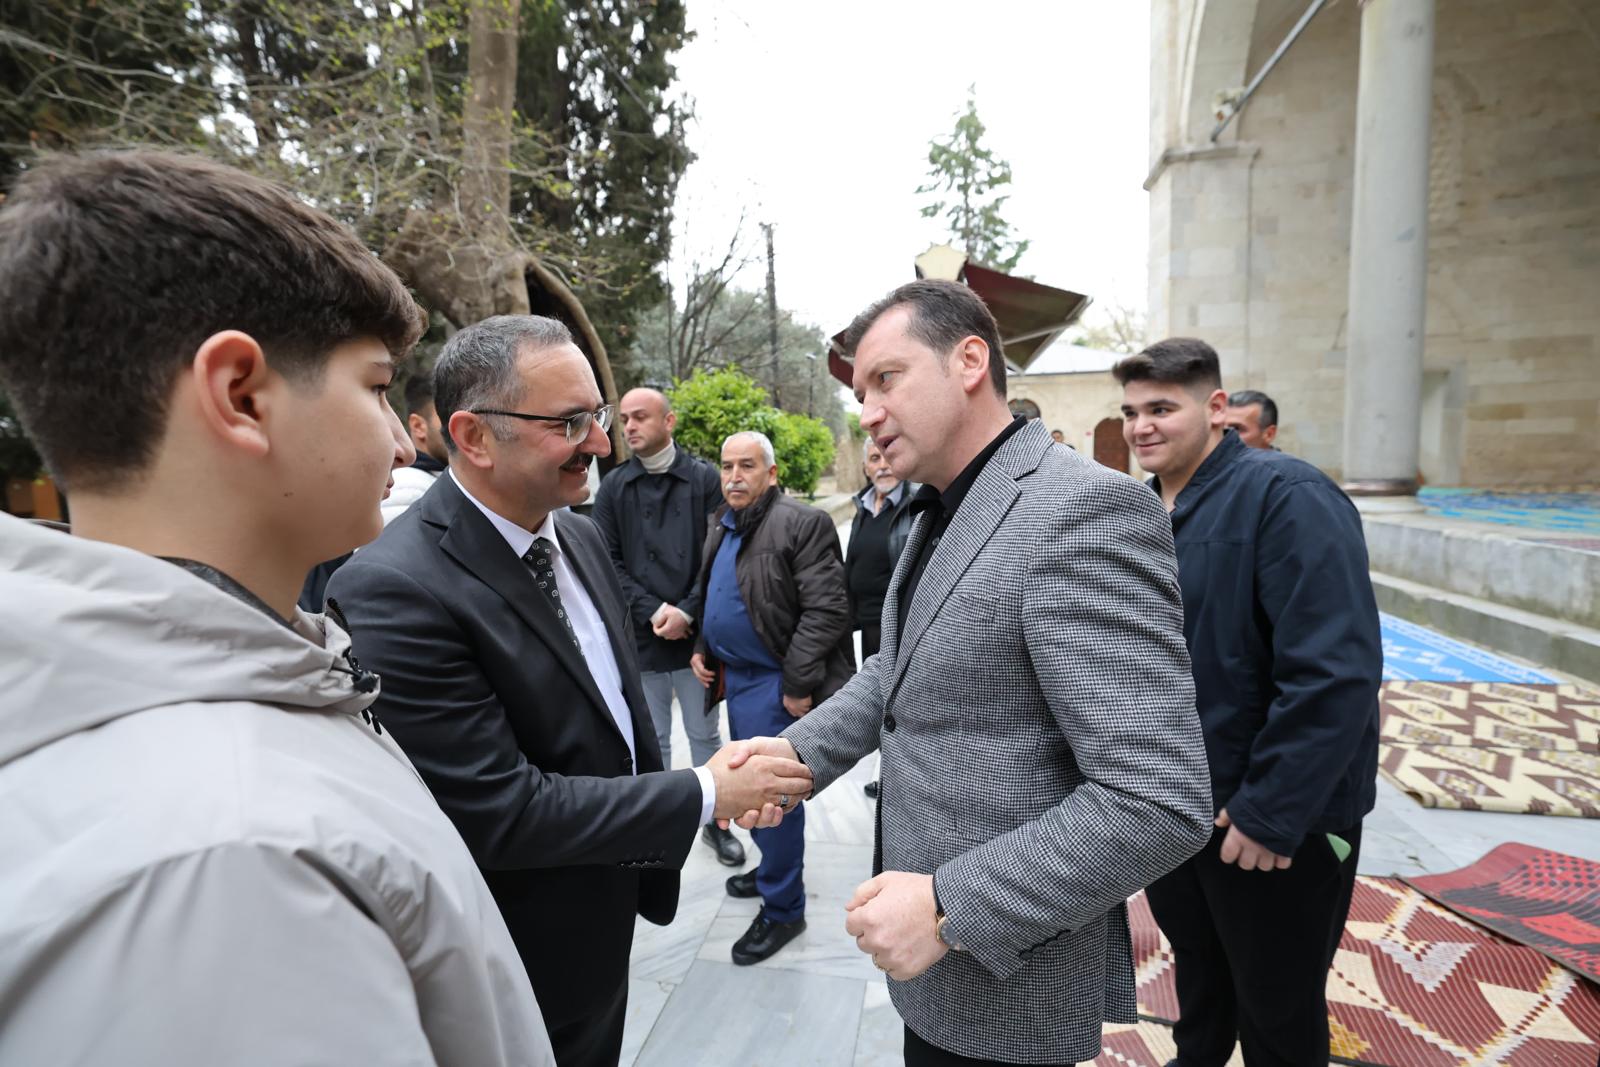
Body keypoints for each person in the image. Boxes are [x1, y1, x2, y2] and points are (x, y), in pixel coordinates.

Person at [0, 149, 555, 1065]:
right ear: (241, 395)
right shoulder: (231, 861)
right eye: (377, 387)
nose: (400, 443)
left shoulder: (246, 712)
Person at [725, 280, 1212, 1066]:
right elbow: (901, 666)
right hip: (936, 974)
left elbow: (1159, 798)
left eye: (887, 378)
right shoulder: (942, 506)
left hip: (1006, 970)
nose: (868, 411)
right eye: (860, 392)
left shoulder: (1082, 512)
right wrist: (796, 756)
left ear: (970, 361)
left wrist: (950, 905)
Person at [325, 316, 811, 1066]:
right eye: (570, 422)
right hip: (519, 950)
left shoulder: (576, 533)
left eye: (601, 415)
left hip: (605, 916)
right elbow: (500, 812)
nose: (602, 443)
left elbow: (607, 716)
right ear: (475, 435)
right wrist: (704, 792)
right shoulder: (394, 587)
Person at [1116, 339, 1381, 1067]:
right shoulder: (1139, 511)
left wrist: (1271, 810)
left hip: (1272, 820)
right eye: (1132, 410)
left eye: (1162, 408)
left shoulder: (1287, 496)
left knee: (1279, 1003)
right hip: (1179, 807)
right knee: (1199, 973)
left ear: (1216, 408)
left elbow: (1335, 672)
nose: (1142, 425)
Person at [689, 431, 854, 965]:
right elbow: (713, 590)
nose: (734, 476)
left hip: (774, 684)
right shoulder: (722, 521)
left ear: (772, 474)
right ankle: (769, 874)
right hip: (736, 679)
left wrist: (798, 685)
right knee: (752, 790)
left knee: (770, 798)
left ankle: (784, 909)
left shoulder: (801, 523)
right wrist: (704, 647)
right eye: (727, 466)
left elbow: (827, 609)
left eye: (747, 466)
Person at [591, 387, 743, 867]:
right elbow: (605, 558)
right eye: (625, 419)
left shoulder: (703, 479)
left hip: (696, 638)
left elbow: (719, 552)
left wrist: (687, 611)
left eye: (641, 417)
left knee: (704, 736)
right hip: (642, 635)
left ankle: (715, 825)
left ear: (669, 421)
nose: (629, 427)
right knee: (651, 739)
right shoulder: (614, 486)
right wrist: (654, 610)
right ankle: (661, 825)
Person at [846, 437, 919, 801]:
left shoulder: (914, 504)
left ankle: (894, 778)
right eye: (874, 457)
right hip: (868, 625)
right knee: (879, 703)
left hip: (901, 627)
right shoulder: (863, 506)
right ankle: (884, 772)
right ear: (865, 466)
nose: (883, 463)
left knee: (900, 707)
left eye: (887, 454)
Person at [382, 371, 450, 524]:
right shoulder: (408, 487)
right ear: (418, 426)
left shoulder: (433, 482)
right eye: (448, 416)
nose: (461, 429)